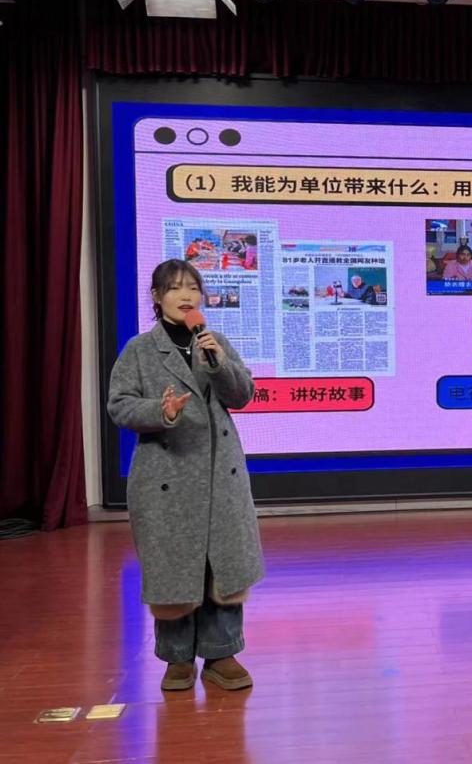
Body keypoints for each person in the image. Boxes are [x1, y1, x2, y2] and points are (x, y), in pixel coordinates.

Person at [107, 259, 264, 693]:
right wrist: (160, 410)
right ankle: (177, 658)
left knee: (222, 564)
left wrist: (219, 363)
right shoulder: (140, 350)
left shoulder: (215, 342)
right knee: (174, 566)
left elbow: (243, 395)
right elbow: (119, 405)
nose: (186, 295)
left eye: (193, 287)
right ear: (157, 298)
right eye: (175, 288)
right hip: (166, 475)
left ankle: (221, 652)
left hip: (219, 475)